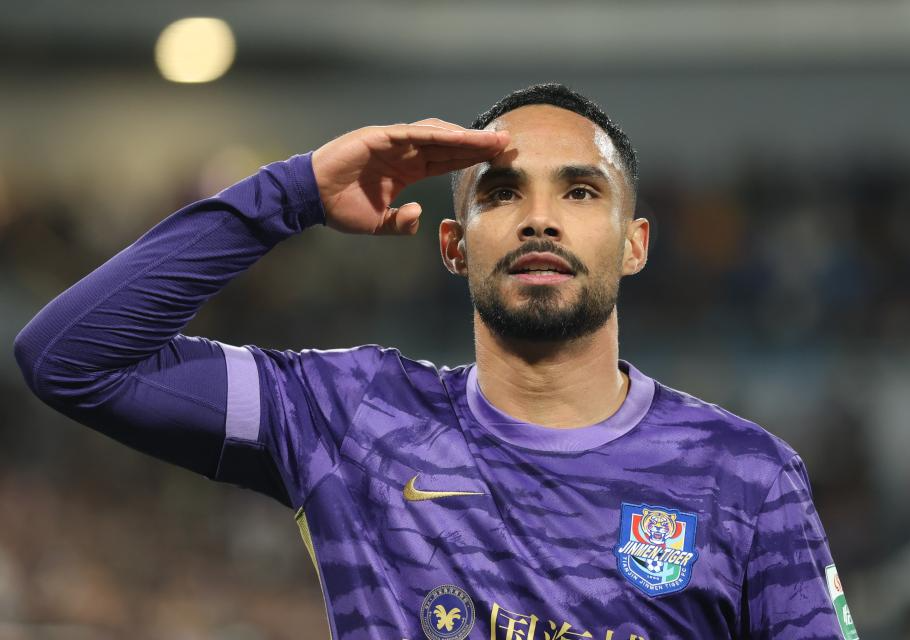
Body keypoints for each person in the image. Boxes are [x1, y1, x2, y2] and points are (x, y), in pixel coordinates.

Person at [13, 83, 858, 640]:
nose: (539, 219)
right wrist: (293, 192)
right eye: (502, 193)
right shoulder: (353, 417)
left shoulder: (745, 477)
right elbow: (70, 358)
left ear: (634, 244)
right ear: (453, 245)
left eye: (579, 191)